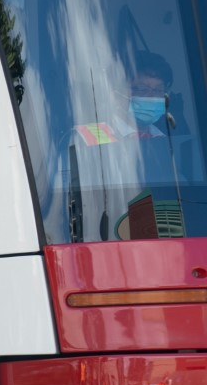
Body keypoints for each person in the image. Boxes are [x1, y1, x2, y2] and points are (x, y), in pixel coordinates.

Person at [44, 50, 180, 243]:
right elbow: (63, 201)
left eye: (158, 91)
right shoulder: (85, 138)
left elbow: (179, 189)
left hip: (160, 236)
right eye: (141, 89)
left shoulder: (165, 141)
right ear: (117, 93)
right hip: (100, 237)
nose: (151, 97)